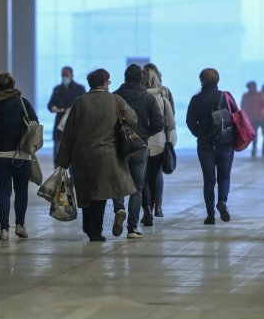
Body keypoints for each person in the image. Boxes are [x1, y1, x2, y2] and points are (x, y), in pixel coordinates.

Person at [56, 69, 137, 242]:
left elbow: (68, 134)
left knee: (86, 194)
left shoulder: (80, 103)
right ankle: (96, 231)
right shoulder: (115, 100)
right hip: (107, 156)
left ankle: (89, 227)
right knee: (100, 195)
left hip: (81, 157)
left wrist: (62, 161)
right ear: (106, 82)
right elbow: (133, 119)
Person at [0, 72, 39, 240]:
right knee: (21, 191)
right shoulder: (23, 103)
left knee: (4, 192)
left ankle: (4, 230)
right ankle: (20, 225)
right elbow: (35, 123)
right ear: (13, 85)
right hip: (21, 155)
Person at [112, 64, 164, 239]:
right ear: (140, 79)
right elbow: (159, 123)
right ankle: (132, 228)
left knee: (118, 183)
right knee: (137, 188)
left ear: (125, 77)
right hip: (140, 146)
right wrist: (145, 134)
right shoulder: (148, 98)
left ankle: (119, 208)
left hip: (119, 146)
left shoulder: (115, 96)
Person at [186, 68, 238, 225]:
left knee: (209, 180)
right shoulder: (226, 97)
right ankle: (222, 201)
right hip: (225, 144)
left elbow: (189, 121)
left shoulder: (196, 99)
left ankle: (210, 215)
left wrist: (199, 134)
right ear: (218, 80)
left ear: (201, 80)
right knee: (224, 177)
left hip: (205, 145)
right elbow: (236, 117)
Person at [140, 66, 176, 226]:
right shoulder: (164, 94)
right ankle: (158, 207)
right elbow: (171, 120)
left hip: (141, 143)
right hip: (160, 143)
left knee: (143, 178)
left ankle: (146, 209)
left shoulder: (137, 96)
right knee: (156, 175)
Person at [47, 66, 86, 165]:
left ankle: (74, 179)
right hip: (60, 125)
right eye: (63, 75)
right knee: (57, 154)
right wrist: (53, 108)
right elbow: (50, 104)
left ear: (72, 75)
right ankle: (58, 179)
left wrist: (74, 109)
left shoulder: (80, 89)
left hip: (75, 125)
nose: (64, 77)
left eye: (66, 75)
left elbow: (85, 105)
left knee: (75, 156)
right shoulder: (57, 89)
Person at [241, 81, 264, 157]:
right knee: (253, 134)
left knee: (258, 133)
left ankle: (256, 148)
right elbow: (243, 106)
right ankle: (254, 148)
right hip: (249, 118)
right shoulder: (246, 96)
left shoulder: (259, 95)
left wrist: (262, 114)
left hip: (258, 118)